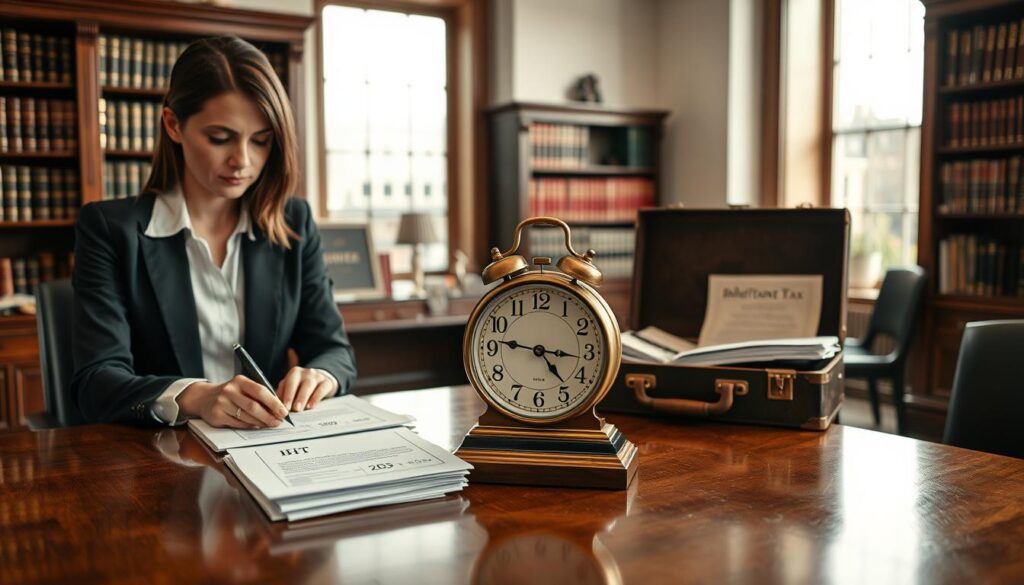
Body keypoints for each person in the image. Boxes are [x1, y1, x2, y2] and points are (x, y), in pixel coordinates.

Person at [72, 36, 357, 428]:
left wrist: (318, 377)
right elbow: (96, 381)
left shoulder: (293, 221)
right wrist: (196, 396)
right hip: (160, 461)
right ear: (174, 125)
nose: (242, 161)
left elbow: (333, 351)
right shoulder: (109, 230)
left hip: (272, 451)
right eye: (220, 138)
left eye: (261, 141)